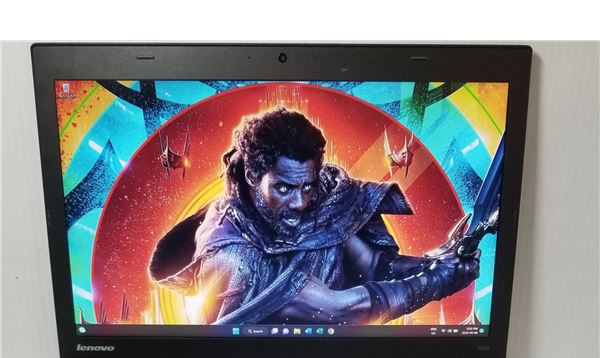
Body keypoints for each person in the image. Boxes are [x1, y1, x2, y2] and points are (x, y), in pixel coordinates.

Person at [149, 107, 479, 325]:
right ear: (252, 176)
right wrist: (439, 280)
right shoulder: (234, 258)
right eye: (283, 189)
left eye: (306, 186)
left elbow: (372, 267)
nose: (299, 202)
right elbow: (339, 308)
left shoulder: (316, 193)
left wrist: (438, 262)